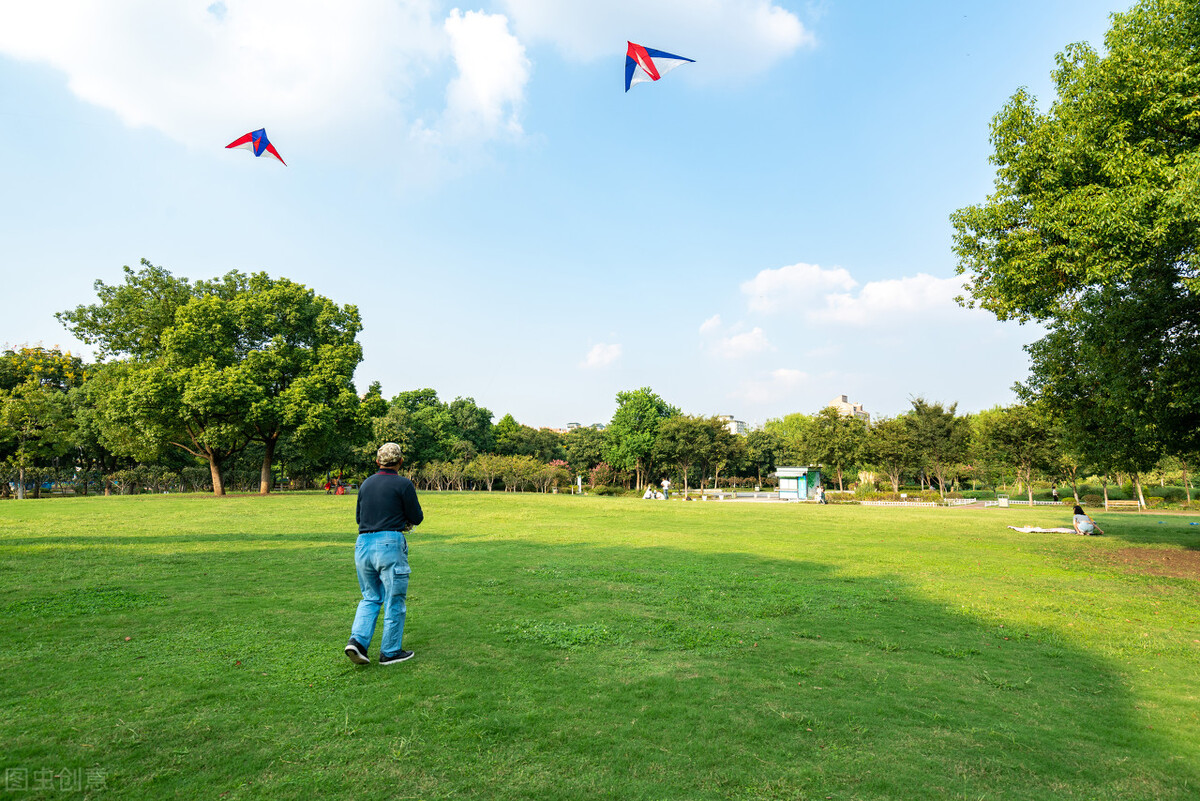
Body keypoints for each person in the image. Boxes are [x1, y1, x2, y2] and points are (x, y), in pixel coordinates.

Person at [345, 442, 424, 666]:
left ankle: (357, 642)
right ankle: (390, 651)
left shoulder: (366, 484)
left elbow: (359, 518)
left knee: (370, 596)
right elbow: (416, 517)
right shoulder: (403, 484)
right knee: (394, 598)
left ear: (377, 461)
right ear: (400, 461)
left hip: (363, 544)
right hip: (389, 544)